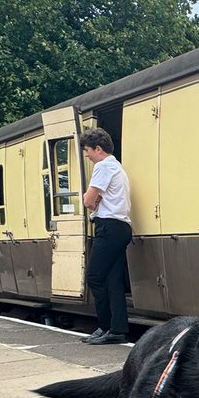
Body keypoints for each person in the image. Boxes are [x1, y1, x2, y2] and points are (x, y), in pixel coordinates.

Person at [79, 128, 132, 344]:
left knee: (94, 276)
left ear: (98, 149)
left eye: (87, 150)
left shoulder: (102, 166)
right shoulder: (117, 167)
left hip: (108, 227)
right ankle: (116, 330)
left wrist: (91, 200)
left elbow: (88, 201)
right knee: (113, 281)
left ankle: (105, 326)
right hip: (120, 228)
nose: (87, 155)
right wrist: (95, 200)